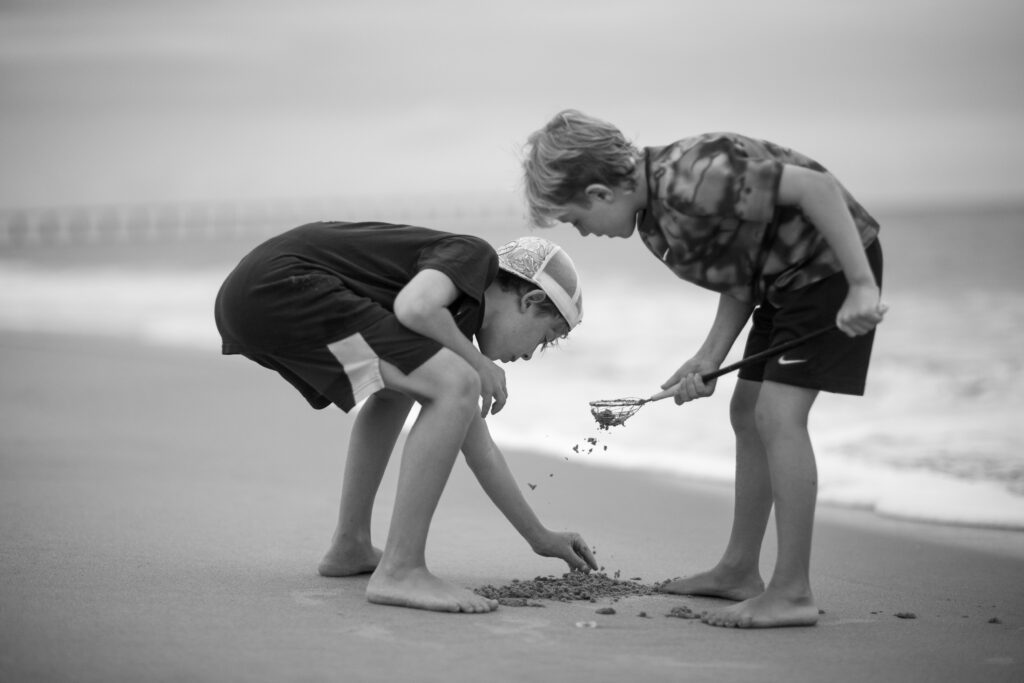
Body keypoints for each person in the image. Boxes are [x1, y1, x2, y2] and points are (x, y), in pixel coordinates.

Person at [521, 110, 886, 628]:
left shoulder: (694, 178)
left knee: (779, 416)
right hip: (783, 282)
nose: (581, 231)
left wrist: (861, 285)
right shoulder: (653, 216)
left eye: (575, 219)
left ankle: (793, 590)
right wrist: (710, 356)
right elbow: (742, 271)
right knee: (747, 410)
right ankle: (740, 569)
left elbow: (818, 189)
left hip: (828, 273)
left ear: (602, 194)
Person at [214, 221, 597, 614]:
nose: (531, 355)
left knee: (399, 390)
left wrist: (539, 537)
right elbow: (414, 306)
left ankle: (351, 544)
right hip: (285, 286)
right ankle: (401, 568)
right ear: (530, 300)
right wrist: (477, 363)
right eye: (545, 337)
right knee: (455, 382)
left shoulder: (451, 324)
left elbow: (479, 447)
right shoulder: (474, 256)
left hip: (255, 298)